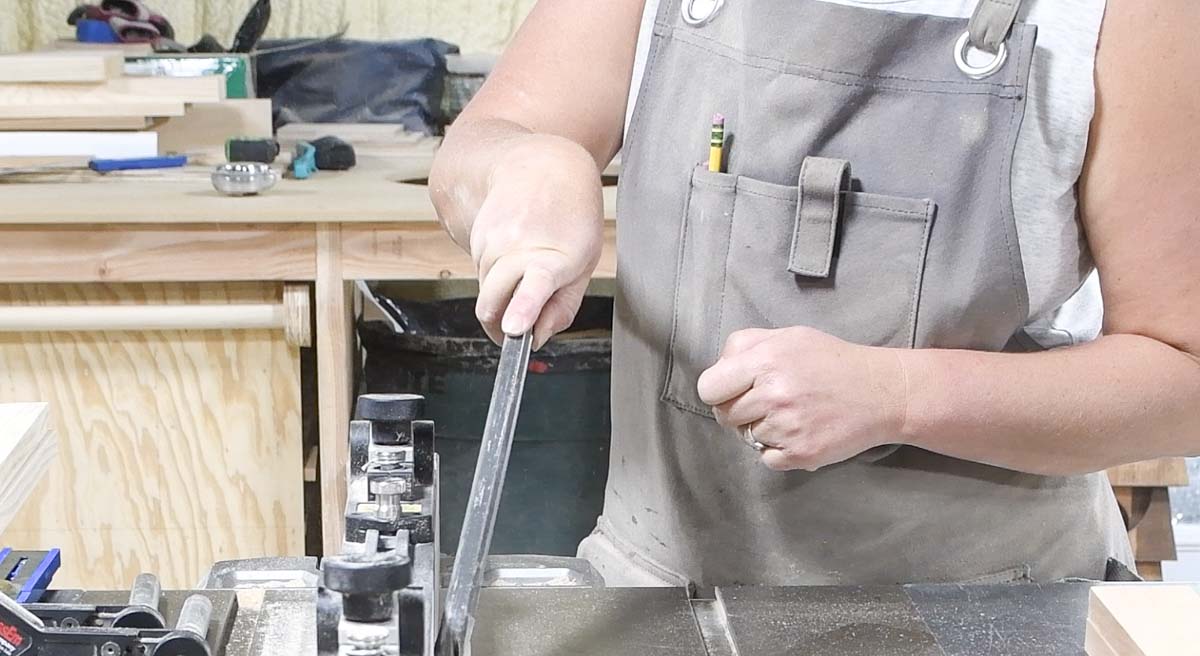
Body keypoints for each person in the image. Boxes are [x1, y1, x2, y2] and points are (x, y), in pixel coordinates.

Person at [430, 0, 1200, 586]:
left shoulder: (1136, 18)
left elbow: (1184, 377)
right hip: (660, 612)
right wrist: (524, 168)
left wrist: (900, 395)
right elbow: (487, 139)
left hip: (995, 635)